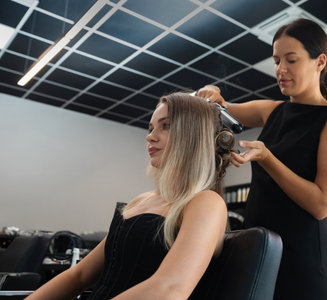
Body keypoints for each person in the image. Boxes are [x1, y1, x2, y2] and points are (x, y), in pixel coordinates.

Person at [198, 18, 327, 299]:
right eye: (276, 60)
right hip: (258, 251)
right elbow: (219, 109)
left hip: (302, 262)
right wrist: (213, 94)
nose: (280, 70)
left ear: (320, 62)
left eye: (291, 60)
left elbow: (321, 204)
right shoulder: (271, 111)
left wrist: (268, 158)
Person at [26, 93, 235, 300]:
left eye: (166, 125)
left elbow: (170, 289)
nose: (150, 136)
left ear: (193, 135)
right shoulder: (140, 201)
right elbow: (79, 276)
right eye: (150, 128)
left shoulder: (206, 202)